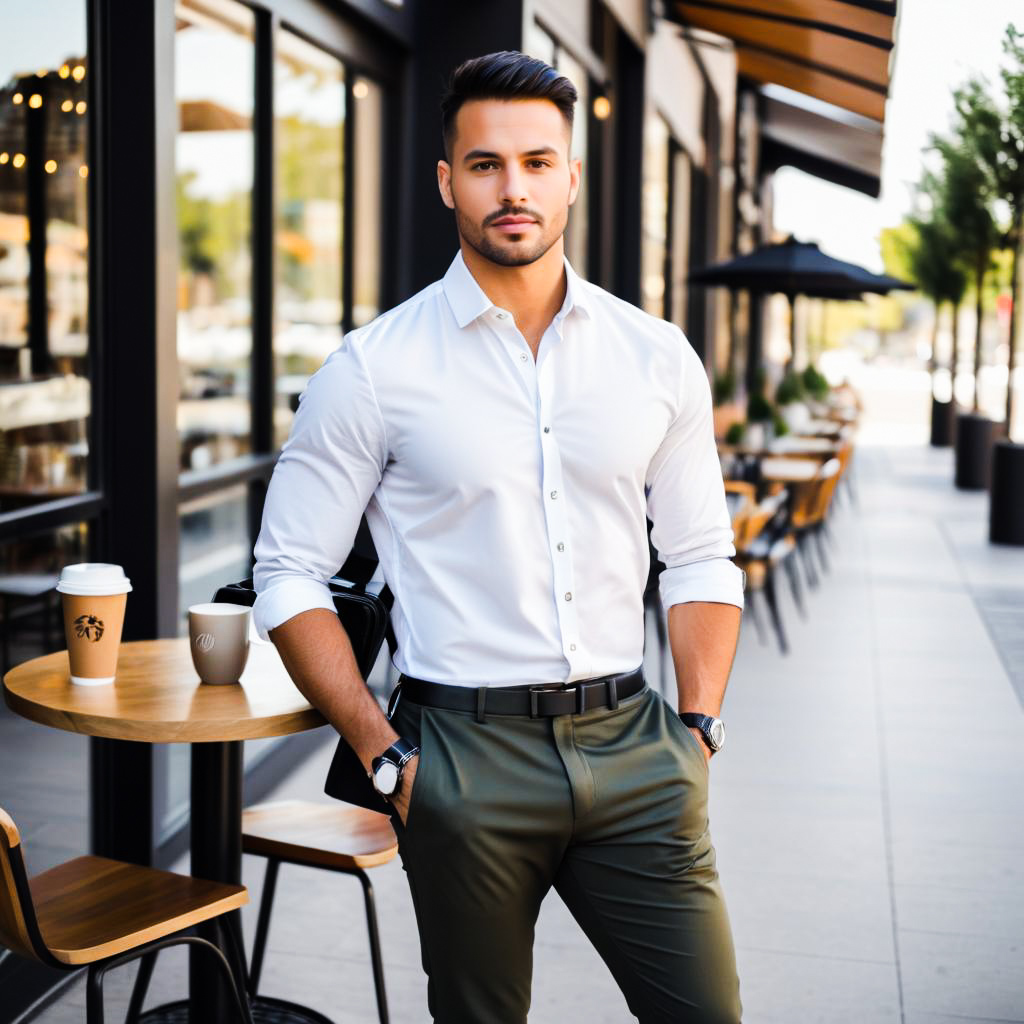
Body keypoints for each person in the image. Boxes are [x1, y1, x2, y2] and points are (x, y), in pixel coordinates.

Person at [253, 50, 744, 1024]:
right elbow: (287, 572)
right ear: (447, 181)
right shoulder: (372, 370)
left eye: (535, 161)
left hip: (637, 746)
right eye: (484, 164)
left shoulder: (654, 358)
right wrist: (386, 757)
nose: (511, 187)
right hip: (460, 755)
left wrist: (696, 727)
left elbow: (698, 554)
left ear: (569, 175)